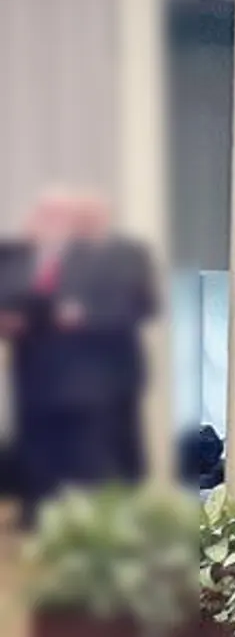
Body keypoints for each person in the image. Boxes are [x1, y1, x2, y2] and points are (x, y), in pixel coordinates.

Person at [1, 189, 155, 528]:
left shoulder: (116, 256)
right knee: (38, 458)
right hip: (34, 376)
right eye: (47, 215)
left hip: (92, 380)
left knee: (93, 460)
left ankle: (93, 530)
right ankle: (38, 521)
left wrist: (83, 316)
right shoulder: (19, 256)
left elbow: (137, 305)